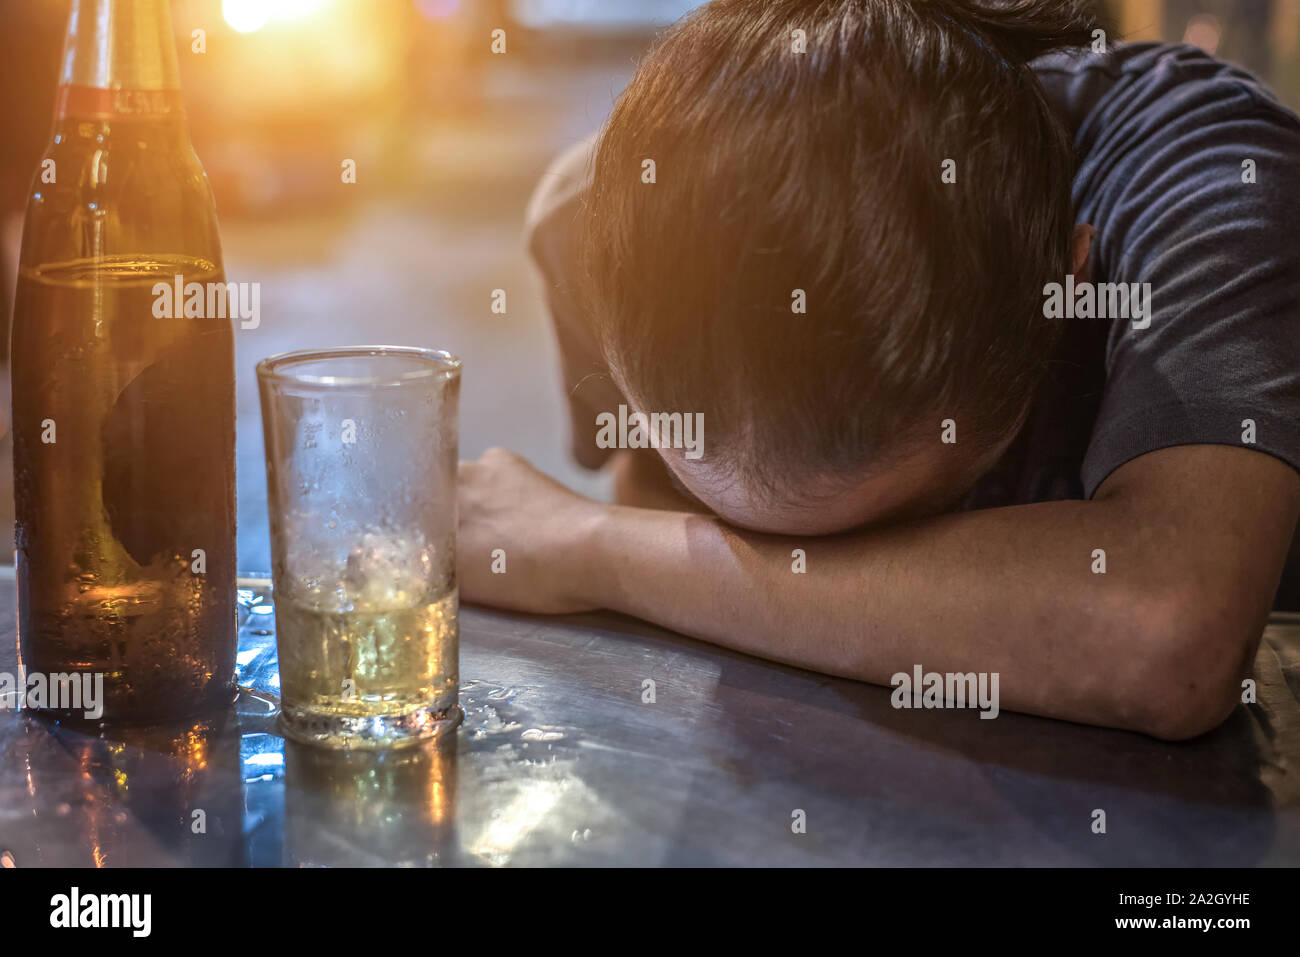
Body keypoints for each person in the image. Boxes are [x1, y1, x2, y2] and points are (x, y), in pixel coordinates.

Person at [457, 0, 1300, 740]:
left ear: (1067, 284)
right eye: (746, 531)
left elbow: (1169, 635)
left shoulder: (1211, 185)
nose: (801, 563)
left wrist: (595, 549)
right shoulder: (594, 222)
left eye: (889, 530)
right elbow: (647, 488)